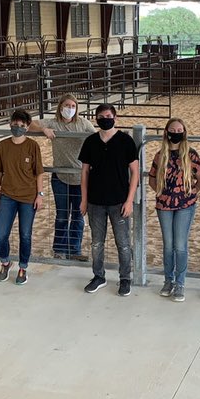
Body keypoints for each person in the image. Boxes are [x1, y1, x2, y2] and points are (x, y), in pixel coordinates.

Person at [79, 103, 139, 296]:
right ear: (96, 119)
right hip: (95, 202)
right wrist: (84, 199)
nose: (105, 119)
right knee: (97, 242)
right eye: (101, 116)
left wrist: (130, 200)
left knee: (122, 242)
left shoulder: (125, 141)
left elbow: (135, 173)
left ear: (115, 117)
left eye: (108, 115)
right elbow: (85, 173)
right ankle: (98, 276)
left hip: (119, 201)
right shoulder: (90, 142)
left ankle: (125, 278)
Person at [32, 94, 95, 260]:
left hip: (80, 178)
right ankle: (59, 249)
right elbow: (29, 123)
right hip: (60, 177)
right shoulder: (53, 123)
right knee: (62, 214)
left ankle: (74, 250)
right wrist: (42, 129)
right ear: (60, 106)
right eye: (67, 105)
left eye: (73, 106)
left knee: (78, 215)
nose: (70, 109)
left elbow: (97, 139)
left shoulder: (83, 124)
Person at [149, 117, 200, 302]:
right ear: (166, 132)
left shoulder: (190, 154)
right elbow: (152, 177)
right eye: (173, 129)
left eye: (180, 129)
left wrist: (194, 191)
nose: (176, 132)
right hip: (164, 205)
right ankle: (168, 280)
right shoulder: (160, 155)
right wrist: (160, 191)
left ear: (184, 132)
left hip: (185, 205)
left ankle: (180, 282)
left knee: (180, 245)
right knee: (168, 245)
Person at [0, 110, 45, 285]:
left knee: (25, 234)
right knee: (1, 234)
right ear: (10, 124)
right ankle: (5, 262)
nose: (18, 128)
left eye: (22, 125)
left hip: (28, 197)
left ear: (27, 127)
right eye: (15, 124)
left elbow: (39, 173)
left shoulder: (33, 146)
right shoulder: (2, 146)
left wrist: (40, 195)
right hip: (7, 196)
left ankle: (23, 267)